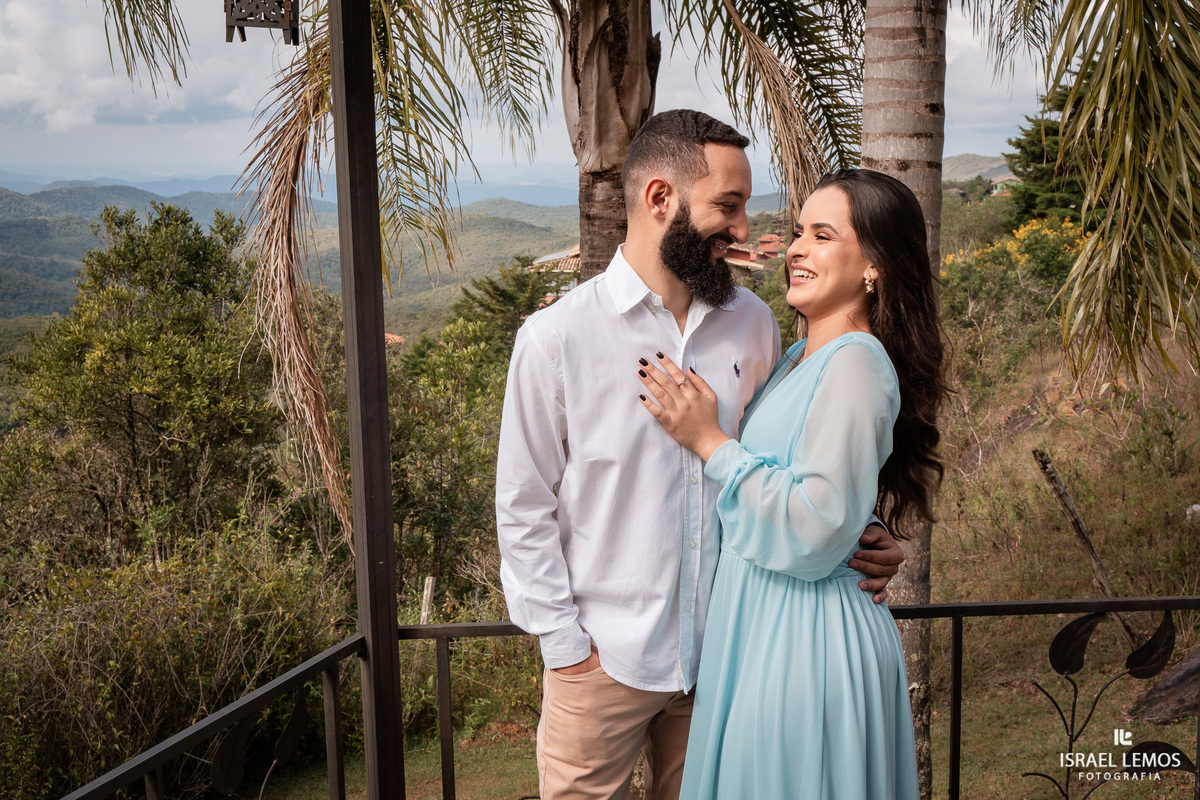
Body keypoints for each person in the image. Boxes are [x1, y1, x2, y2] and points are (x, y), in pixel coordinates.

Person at [496, 112, 905, 800]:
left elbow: (796, 457)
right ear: (661, 199)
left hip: (726, 661)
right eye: (729, 205)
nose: (744, 229)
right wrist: (566, 648)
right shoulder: (555, 339)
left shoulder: (755, 324)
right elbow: (523, 505)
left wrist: (861, 532)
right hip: (604, 666)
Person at [636, 168, 949, 798]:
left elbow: (816, 524)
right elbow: (825, 486)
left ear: (875, 266)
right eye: (800, 231)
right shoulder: (798, 358)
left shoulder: (856, 362)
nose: (798, 249)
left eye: (823, 236)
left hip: (805, 641)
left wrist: (710, 442)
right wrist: (864, 523)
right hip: (764, 628)